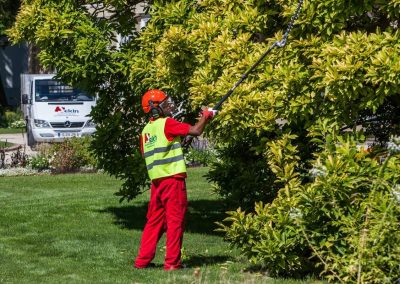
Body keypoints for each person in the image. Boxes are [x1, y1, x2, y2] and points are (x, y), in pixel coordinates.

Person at [134, 89, 216, 270]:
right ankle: (172, 263)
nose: (169, 105)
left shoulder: (146, 131)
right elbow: (196, 130)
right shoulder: (167, 123)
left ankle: (142, 261)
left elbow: (150, 152)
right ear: (154, 108)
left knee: (154, 222)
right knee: (175, 221)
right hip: (173, 181)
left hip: (157, 183)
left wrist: (178, 142)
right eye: (164, 103)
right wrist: (206, 116)